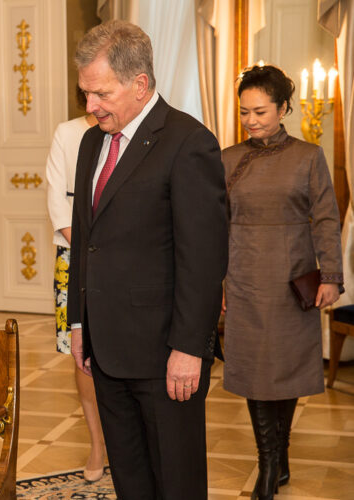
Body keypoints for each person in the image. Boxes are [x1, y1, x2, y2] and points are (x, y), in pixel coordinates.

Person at [67, 20, 228, 499]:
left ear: (140, 84)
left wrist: (189, 347)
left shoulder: (188, 142)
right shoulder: (92, 141)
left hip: (164, 355)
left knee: (175, 482)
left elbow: (203, 259)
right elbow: (84, 241)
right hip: (105, 348)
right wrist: (79, 324)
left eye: (101, 94)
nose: (91, 106)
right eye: (85, 94)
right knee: (131, 479)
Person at [222, 64, 343, 500]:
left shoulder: (309, 156)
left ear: (284, 107)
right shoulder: (228, 159)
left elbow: (326, 218)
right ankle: (269, 462)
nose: (251, 121)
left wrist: (330, 276)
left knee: (287, 370)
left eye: (260, 111)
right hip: (244, 279)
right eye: (244, 112)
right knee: (256, 371)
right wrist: (216, 284)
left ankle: (279, 453)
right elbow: (216, 225)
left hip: (293, 280)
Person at [45, 87, 107, 482]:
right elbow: (57, 201)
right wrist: (93, 249)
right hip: (76, 257)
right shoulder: (67, 134)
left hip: (126, 261)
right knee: (82, 356)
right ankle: (97, 444)